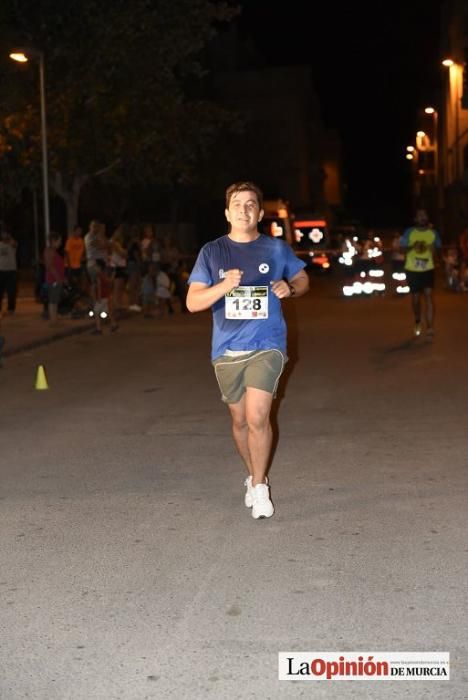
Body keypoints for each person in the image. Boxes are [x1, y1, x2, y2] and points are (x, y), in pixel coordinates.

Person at [186, 181, 309, 519]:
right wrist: (224, 285)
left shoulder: (275, 249)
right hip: (226, 349)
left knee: (258, 416)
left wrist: (290, 288)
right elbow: (193, 302)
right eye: (237, 204)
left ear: (260, 212)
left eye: (251, 204)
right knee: (239, 421)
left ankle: (260, 487)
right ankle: (254, 474)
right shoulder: (212, 253)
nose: (244, 209)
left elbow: (302, 280)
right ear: (227, 213)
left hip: (267, 343)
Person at [400, 208, 441, 338]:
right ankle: (417, 320)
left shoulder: (433, 233)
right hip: (412, 269)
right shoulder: (409, 232)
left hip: (427, 269)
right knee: (416, 299)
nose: (423, 217)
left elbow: (438, 251)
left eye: (425, 215)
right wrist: (413, 246)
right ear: (415, 219)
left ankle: (430, 328)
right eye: (420, 215)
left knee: (429, 295)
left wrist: (433, 250)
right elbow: (402, 250)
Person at [0, 229, 18, 315]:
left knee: (12, 291)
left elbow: (14, 244)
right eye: (3, 234)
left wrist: (9, 237)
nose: (4, 236)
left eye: (5, 234)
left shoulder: (12, 243)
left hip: (11, 271)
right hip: (1, 270)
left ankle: (11, 309)